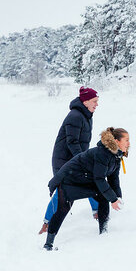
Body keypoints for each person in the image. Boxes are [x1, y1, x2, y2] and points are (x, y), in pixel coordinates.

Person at [42, 127, 130, 251]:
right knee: (63, 208)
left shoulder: (115, 157)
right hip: (69, 179)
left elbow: (113, 179)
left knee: (103, 196)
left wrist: (117, 197)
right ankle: (48, 244)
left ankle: (104, 233)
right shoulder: (103, 154)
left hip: (84, 180)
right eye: (126, 140)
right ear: (116, 141)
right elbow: (99, 178)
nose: (129, 143)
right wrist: (113, 199)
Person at [39, 86, 100, 234]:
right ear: (85, 102)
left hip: (76, 159)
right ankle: (47, 223)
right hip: (64, 161)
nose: (97, 104)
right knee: (63, 192)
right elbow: (72, 142)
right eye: (94, 101)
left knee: (91, 183)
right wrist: (83, 159)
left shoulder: (86, 115)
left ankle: (98, 212)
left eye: (97, 101)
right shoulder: (75, 116)